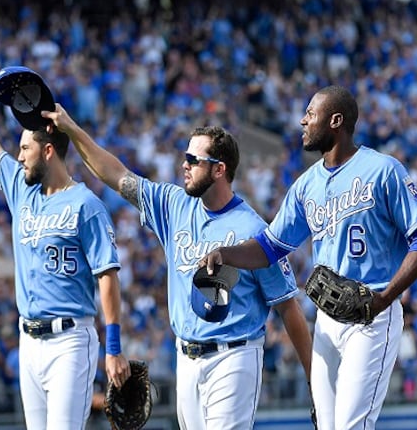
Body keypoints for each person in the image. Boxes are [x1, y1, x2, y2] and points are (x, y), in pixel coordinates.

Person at [41, 105, 313, 430]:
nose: (184, 165)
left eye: (194, 160)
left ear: (219, 170)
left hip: (234, 356)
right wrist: (70, 128)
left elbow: (289, 309)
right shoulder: (174, 205)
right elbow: (115, 175)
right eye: (186, 157)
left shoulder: (253, 231)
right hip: (185, 358)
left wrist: (315, 381)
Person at [200, 85, 417, 430]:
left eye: (311, 114)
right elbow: (270, 247)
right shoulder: (306, 185)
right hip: (326, 322)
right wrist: (226, 254)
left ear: (336, 121)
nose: (303, 121)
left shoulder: (384, 170)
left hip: (372, 318)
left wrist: (385, 298)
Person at [0, 60, 130, 430]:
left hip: (71, 339)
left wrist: (113, 346)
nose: (18, 156)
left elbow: (108, 277)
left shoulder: (86, 205)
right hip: (29, 340)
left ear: (48, 150)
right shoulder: (22, 189)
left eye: (25, 148)